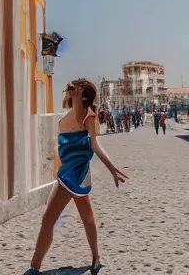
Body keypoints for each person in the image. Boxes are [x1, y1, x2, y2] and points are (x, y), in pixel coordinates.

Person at [24, 79, 127, 275]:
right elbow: (61, 150)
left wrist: (112, 169)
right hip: (70, 175)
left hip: (74, 176)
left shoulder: (89, 117)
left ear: (80, 93)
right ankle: (96, 259)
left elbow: (95, 145)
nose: (70, 90)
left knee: (49, 220)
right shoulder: (63, 120)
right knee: (88, 219)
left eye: (75, 88)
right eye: (71, 88)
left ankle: (34, 268)